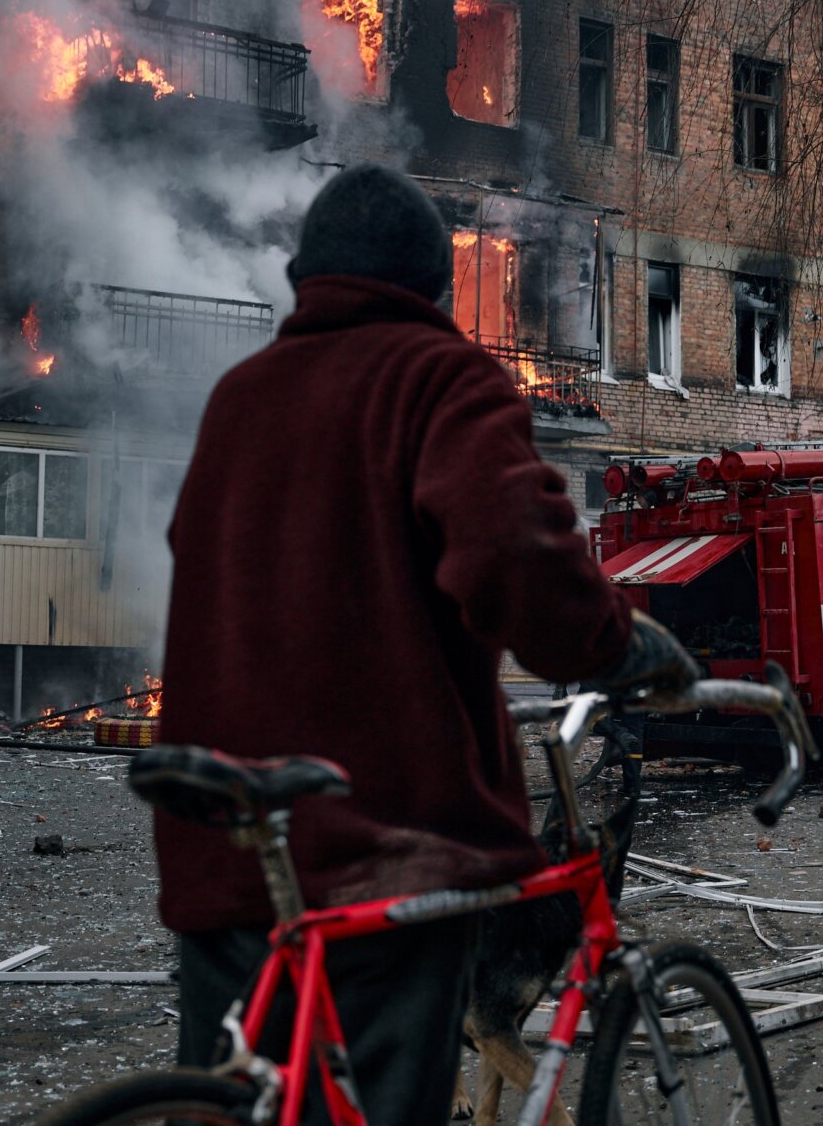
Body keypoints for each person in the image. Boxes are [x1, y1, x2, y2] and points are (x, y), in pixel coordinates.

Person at [154, 164, 686, 1124]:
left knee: (242, 1107)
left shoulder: (239, 397)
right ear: (436, 284)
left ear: (301, 276)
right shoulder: (437, 378)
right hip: (383, 847)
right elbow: (511, 551)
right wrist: (615, 647)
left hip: (220, 853)